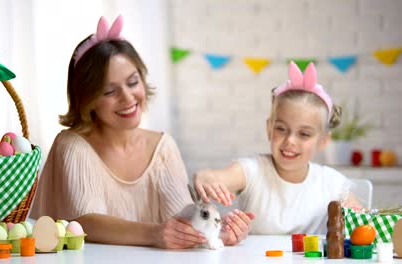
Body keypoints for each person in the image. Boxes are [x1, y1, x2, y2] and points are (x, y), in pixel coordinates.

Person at [30, 15, 253, 249]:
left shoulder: (163, 147)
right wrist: (154, 234)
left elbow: (182, 220)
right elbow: (84, 222)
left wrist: (216, 232)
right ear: (88, 100)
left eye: (133, 82)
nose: (127, 98)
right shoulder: (73, 145)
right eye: (109, 91)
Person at [193, 61, 362, 235]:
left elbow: (361, 222)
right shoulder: (253, 170)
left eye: (304, 134)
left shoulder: (332, 183)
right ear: (269, 128)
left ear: (323, 141)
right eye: (281, 129)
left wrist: (354, 216)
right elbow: (216, 177)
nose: (290, 140)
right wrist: (205, 177)